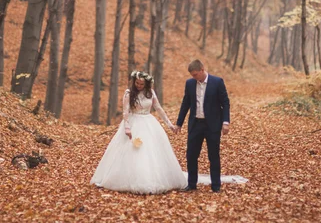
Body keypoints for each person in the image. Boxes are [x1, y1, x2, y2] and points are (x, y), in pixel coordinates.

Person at [90, 71, 187, 194]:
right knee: (132, 150)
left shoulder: (150, 93)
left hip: (148, 122)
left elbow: (158, 108)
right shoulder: (129, 93)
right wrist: (127, 127)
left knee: (150, 150)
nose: (139, 86)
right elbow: (125, 111)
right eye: (137, 83)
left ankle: (152, 178)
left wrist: (169, 124)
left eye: (141, 84)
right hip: (133, 121)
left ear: (146, 84)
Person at [174, 59, 230, 193]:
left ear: (202, 69)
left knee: (213, 155)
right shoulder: (190, 84)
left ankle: (216, 186)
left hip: (212, 125)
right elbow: (185, 103)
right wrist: (179, 123)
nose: (194, 77)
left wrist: (226, 122)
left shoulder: (217, 82)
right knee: (191, 155)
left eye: (196, 74)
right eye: (192, 75)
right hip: (195, 124)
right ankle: (191, 184)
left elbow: (225, 103)